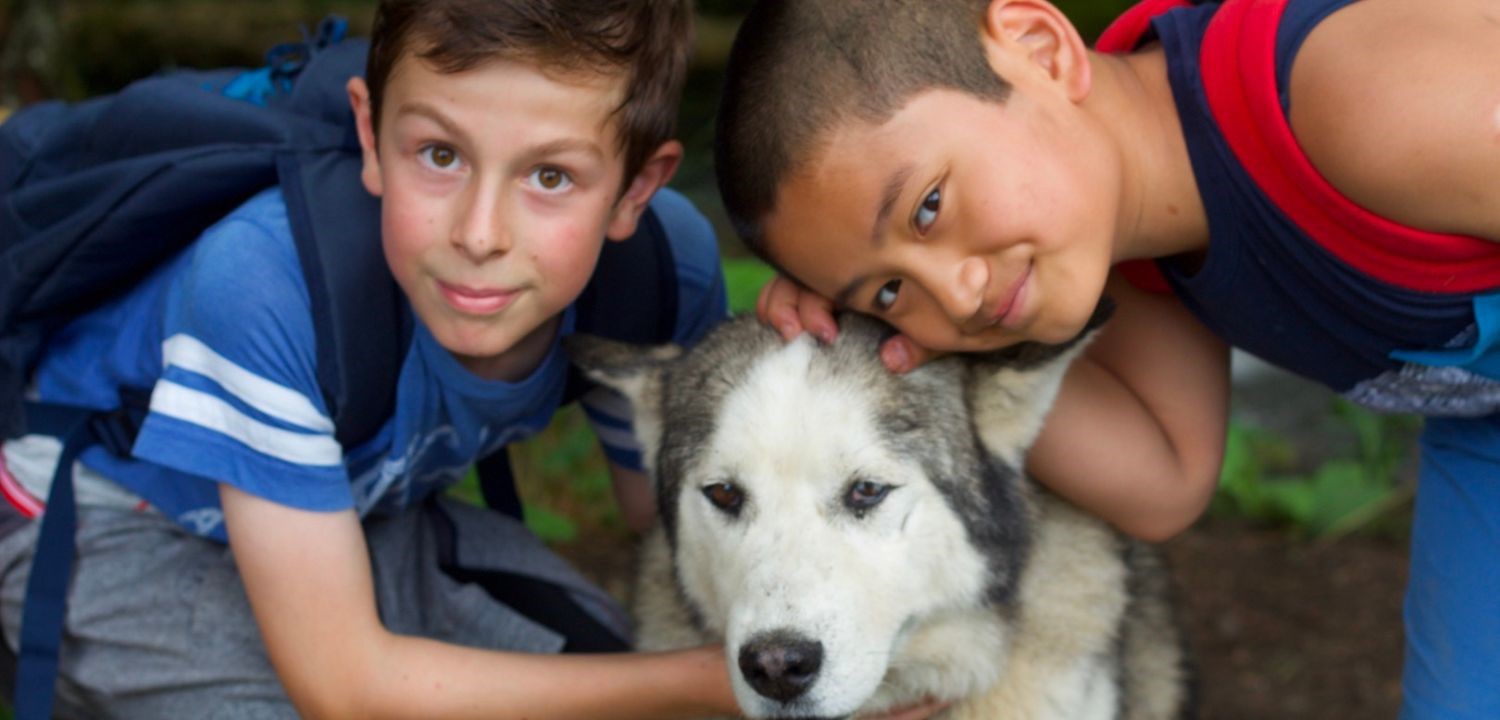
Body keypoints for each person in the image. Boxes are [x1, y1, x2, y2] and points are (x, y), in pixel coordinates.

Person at [715, 0, 1500, 718]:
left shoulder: (1364, 100)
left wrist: (883, 293)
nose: (954, 297)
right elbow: (1164, 480)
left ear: (1040, 50)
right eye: (889, 290)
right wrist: (886, 349)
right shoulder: (1129, 241)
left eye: (928, 208)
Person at [0, 0, 749, 716]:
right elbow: (347, 690)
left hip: (345, 517)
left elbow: (669, 521)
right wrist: (715, 682)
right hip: (104, 526)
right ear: (370, 133)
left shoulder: (661, 274)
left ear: (637, 187)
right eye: (440, 153)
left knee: (609, 661)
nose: (480, 235)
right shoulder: (265, 284)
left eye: (550, 176)